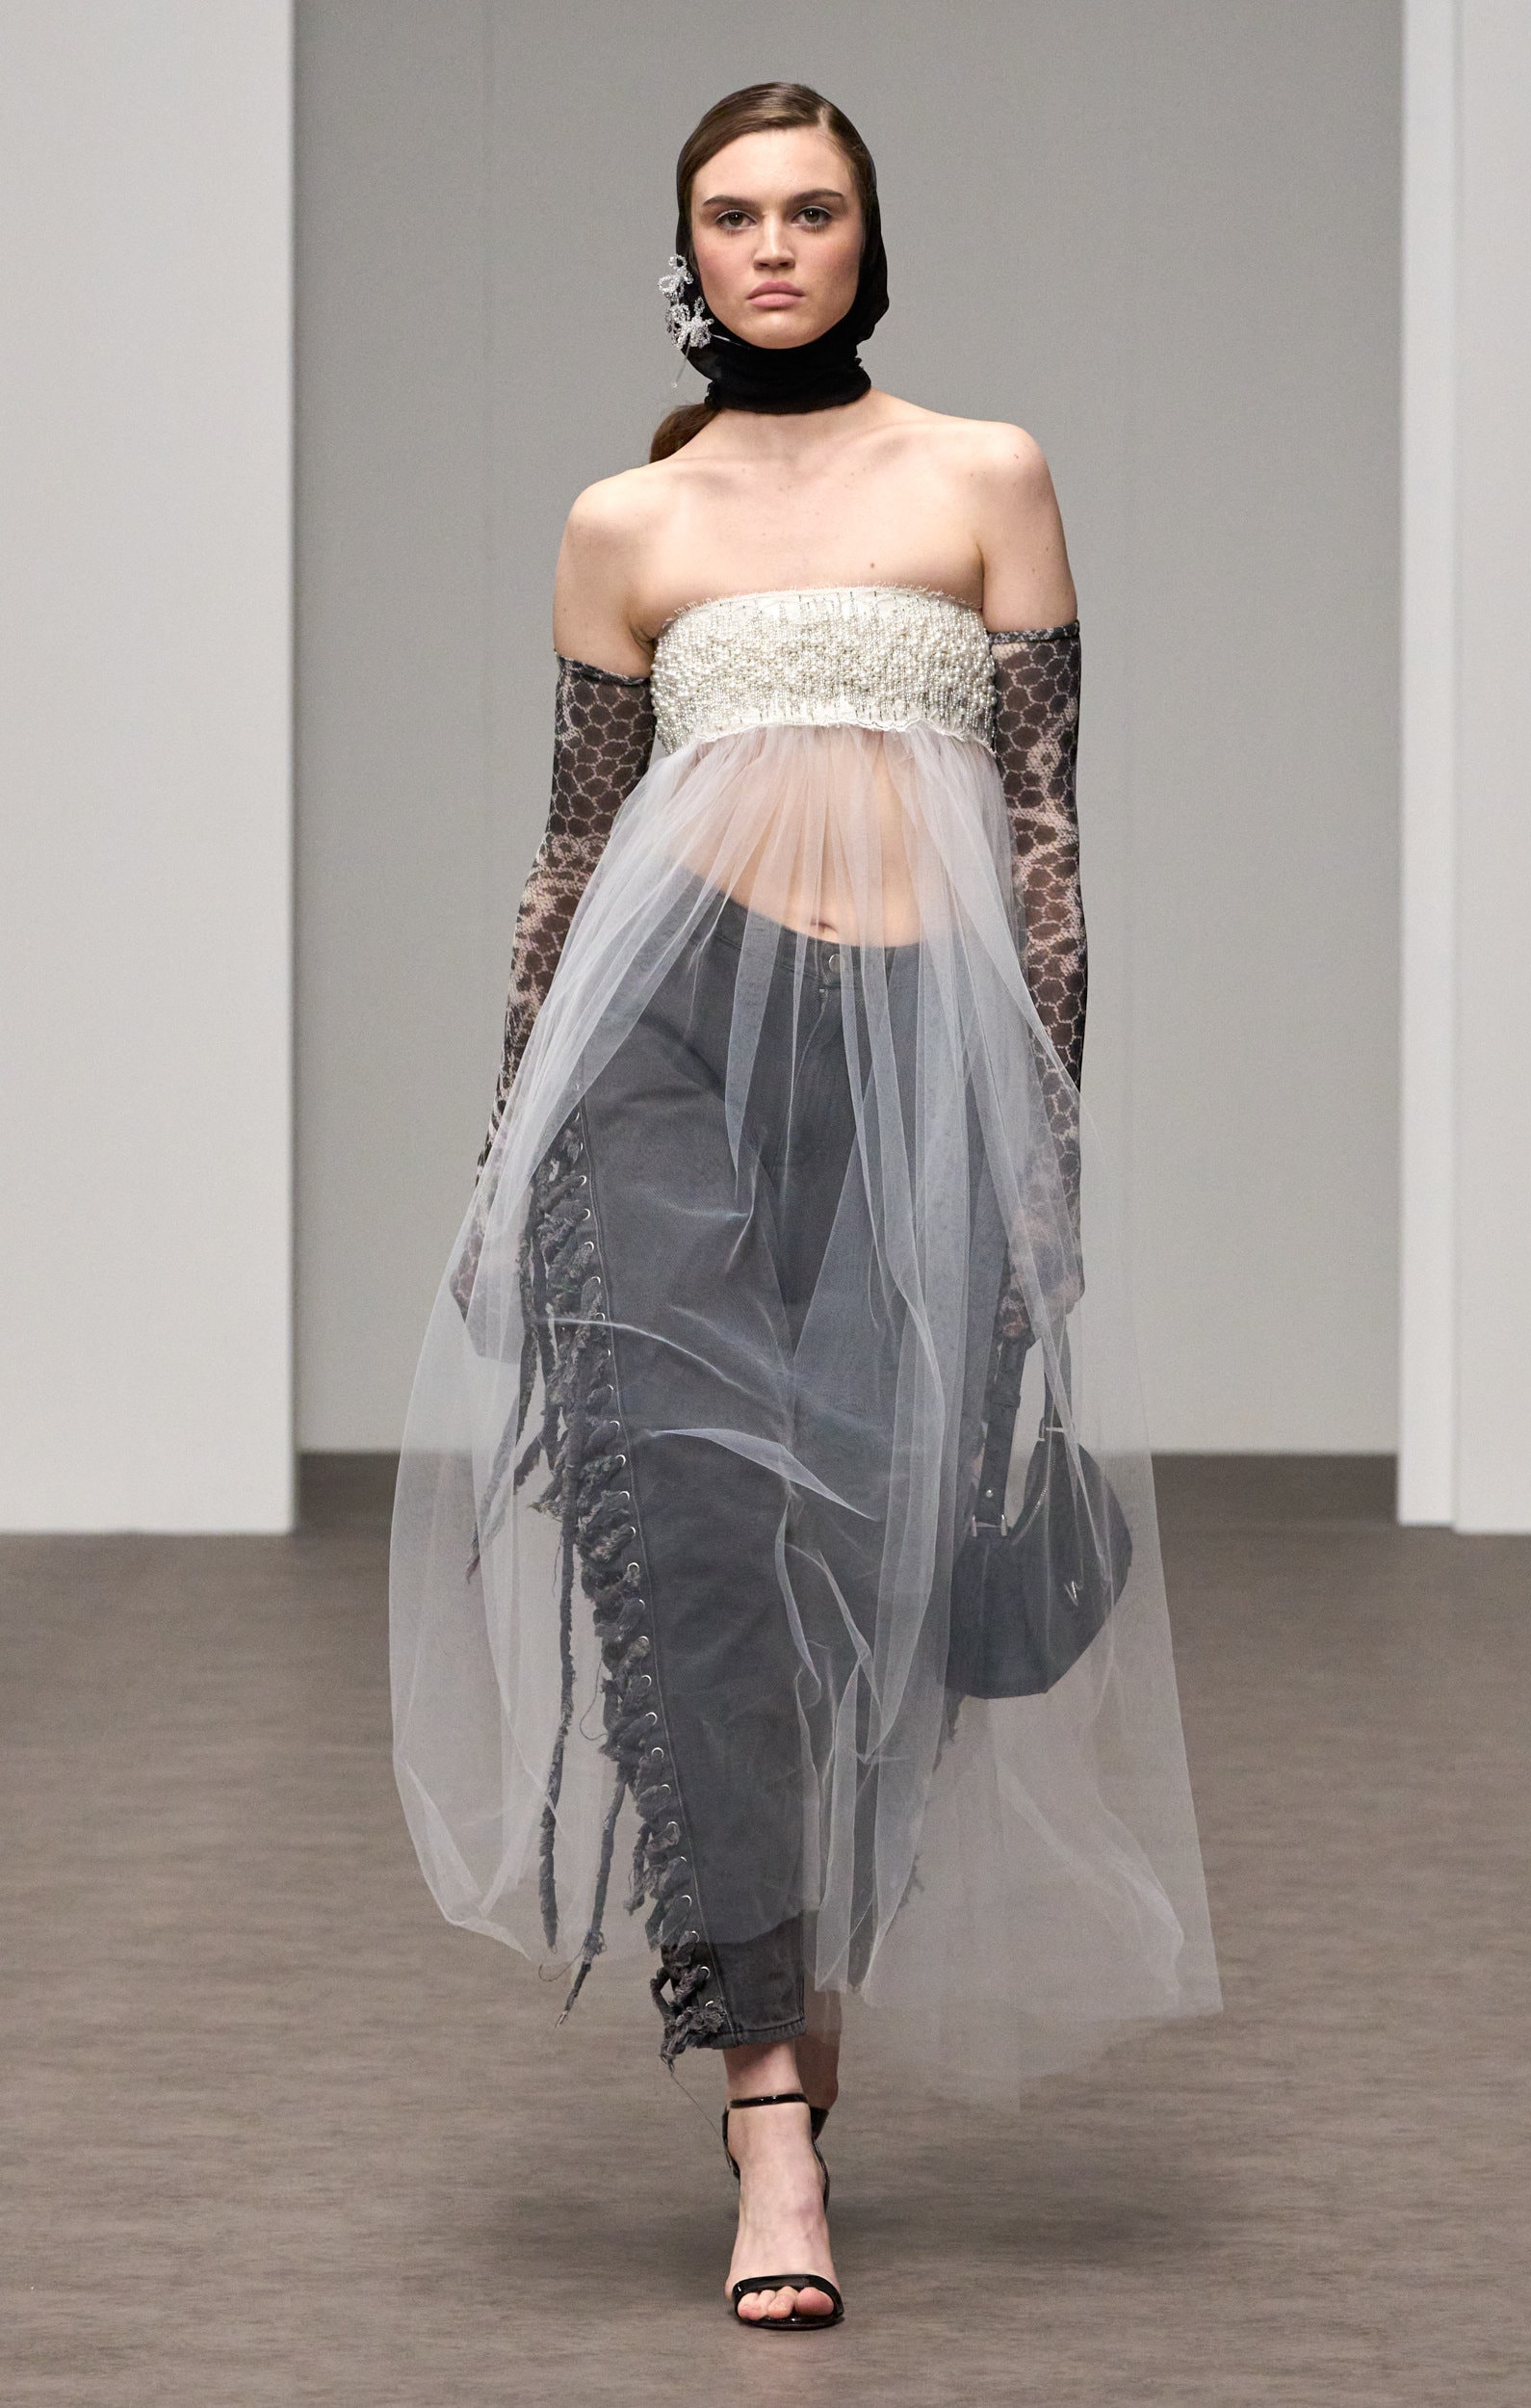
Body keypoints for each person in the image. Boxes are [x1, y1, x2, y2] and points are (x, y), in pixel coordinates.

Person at [389, 81, 1217, 2331]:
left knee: (871, 1553)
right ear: (689, 255)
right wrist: (502, 1148)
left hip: (916, 1057)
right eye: (736, 214)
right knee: (684, 1544)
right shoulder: (624, 521)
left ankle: (805, 1949)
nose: (773, 244)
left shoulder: (985, 476)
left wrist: (1044, 1143)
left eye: (811, 208)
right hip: (656, 1056)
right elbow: (572, 854)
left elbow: (1045, 828)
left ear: (867, 239)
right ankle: (769, 2111)